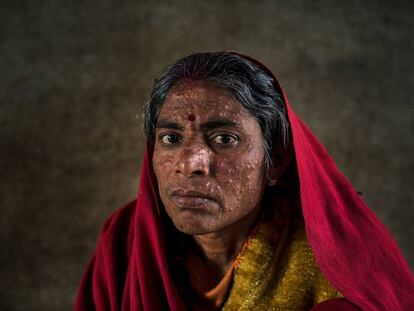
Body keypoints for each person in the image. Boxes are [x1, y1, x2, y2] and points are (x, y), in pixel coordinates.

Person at [75, 52, 414, 310]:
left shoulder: (337, 269)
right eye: (171, 138)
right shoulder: (125, 238)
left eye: (224, 139)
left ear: (275, 160)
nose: (189, 163)